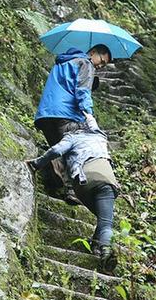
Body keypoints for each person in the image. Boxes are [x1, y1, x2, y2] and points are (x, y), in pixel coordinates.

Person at [27, 113, 119, 274]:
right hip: (106, 180)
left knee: (103, 219)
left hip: (83, 183)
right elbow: (92, 122)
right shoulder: (98, 135)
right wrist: (87, 113)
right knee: (106, 222)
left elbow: (56, 150)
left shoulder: (71, 138)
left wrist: (36, 164)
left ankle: (97, 245)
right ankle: (105, 251)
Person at [34, 44, 111, 204]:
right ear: (93, 53)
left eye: (104, 65)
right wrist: (88, 114)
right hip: (66, 114)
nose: (100, 65)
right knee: (76, 148)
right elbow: (81, 91)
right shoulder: (85, 63)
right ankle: (73, 191)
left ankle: (56, 172)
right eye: (101, 60)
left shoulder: (63, 62)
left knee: (61, 148)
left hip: (46, 114)